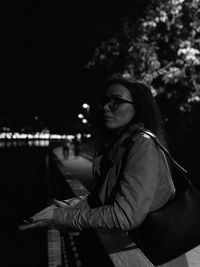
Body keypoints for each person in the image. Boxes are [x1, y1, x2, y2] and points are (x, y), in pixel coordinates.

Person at [19, 73, 188, 266]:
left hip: (155, 257)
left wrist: (61, 217)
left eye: (116, 101)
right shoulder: (123, 145)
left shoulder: (142, 145)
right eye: (105, 101)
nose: (106, 107)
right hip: (143, 251)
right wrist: (68, 206)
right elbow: (106, 197)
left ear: (138, 107)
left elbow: (124, 216)